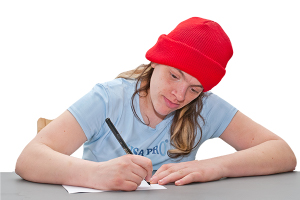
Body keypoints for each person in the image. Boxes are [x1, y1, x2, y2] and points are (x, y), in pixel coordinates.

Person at [15, 17, 296, 191]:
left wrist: (215, 167)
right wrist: (97, 175)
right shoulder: (108, 98)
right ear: (156, 61)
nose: (179, 95)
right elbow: (29, 159)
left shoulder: (205, 107)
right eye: (174, 75)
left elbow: (282, 153)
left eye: (195, 88)